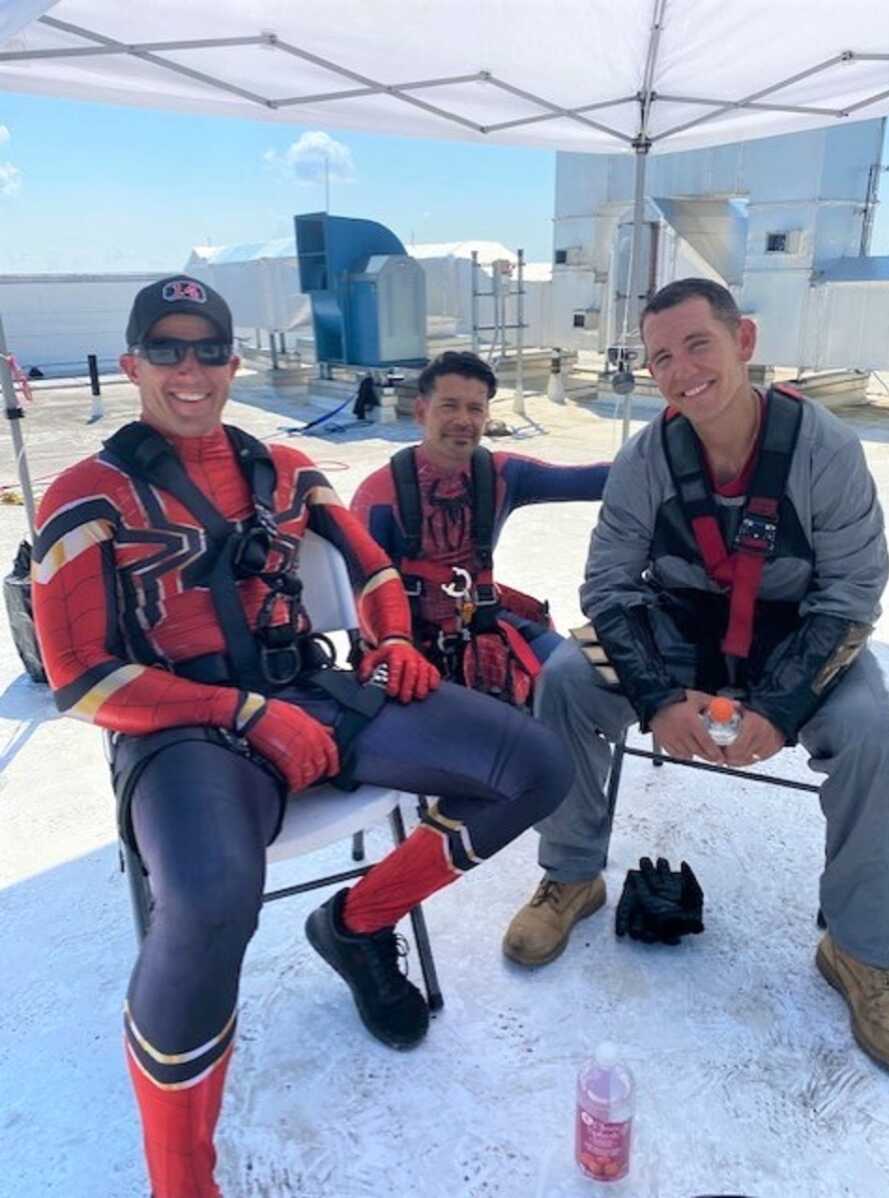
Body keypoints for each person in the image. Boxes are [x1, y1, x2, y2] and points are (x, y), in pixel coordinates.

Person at [31, 277, 574, 1198]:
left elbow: (370, 566)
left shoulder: (285, 467)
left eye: (208, 350)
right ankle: (180, 1182)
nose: (189, 369)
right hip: (180, 727)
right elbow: (80, 678)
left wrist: (393, 638)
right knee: (206, 901)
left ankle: (358, 924)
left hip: (315, 689)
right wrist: (241, 714)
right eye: (165, 350)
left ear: (233, 363)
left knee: (534, 763)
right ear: (131, 365)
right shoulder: (83, 496)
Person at [503, 277, 889, 1074]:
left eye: (698, 346)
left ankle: (861, 950)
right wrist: (657, 698)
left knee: (870, 732)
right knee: (568, 682)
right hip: (682, 633)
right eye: (660, 358)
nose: (681, 370)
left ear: (743, 341)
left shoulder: (826, 449)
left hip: (797, 637)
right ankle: (572, 876)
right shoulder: (647, 457)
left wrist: (780, 710)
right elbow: (610, 588)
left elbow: (852, 595)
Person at [351, 350, 610, 706]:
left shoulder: (503, 475)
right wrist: (398, 650)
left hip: (485, 618)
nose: (463, 419)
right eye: (449, 406)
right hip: (407, 641)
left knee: (593, 673)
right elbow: (362, 596)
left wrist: (671, 450)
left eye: (475, 409)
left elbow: (593, 480)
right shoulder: (378, 494)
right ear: (421, 412)